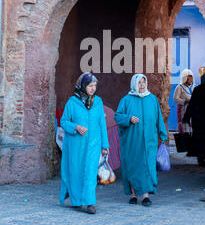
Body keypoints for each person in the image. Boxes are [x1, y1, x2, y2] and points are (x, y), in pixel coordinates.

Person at [59, 72, 109, 214]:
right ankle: (76, 200)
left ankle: (89, 202)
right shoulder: (72, 102)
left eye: (94, 86)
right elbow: (64, 121)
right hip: (75, 144)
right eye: (90, 85)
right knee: (75, 171)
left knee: (90, 172)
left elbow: (102, 124)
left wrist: (105, 146)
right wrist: (75, 127)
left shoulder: (98, 102)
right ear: (83, 86)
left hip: (93, 143)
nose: (93, 89)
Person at [114, 74, 168, 207]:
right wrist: (128, 119)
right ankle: (134, 194)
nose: (142, 85)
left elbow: (158, 119)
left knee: (147, 166)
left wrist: (163, 135)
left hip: (150, 141)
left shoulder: (152, 99)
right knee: (134, 166)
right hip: (132, 141)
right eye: (139, 83)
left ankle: (145, 196)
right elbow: (118, 116)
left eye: (144, 82)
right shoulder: (126, 100)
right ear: (134, 84)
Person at [183, 73, 205, 167]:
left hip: (197, 119)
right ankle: (204, 155)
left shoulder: (197, 89)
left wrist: (186, 117)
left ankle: (201, 157)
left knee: (198, 138)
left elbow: (191, 104)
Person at [173, 69, 195, 134]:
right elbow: (175, 98)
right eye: (187, 77)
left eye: (190, 76)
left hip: (193, 110)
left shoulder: (194, 87)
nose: (189, 78)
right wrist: (185, 101)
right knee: (184, 127)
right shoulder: (179, 87)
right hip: (183, 110)